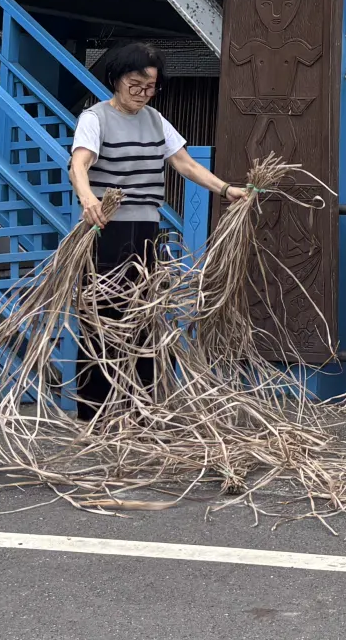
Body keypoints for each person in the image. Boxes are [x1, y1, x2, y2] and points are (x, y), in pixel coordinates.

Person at [67, 40, 248, 421]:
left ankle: (141, 409)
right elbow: (79, 165)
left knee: (145, 317)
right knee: (103, 317)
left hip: (146, 229)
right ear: (116, 79)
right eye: (135, 84)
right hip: (107, 230)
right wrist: (88, 199)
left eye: (150, 87)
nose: (142, 93)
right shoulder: (95, 118)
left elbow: (186, 165)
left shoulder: (155, 120)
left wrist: (226, 190)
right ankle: (94, 413)